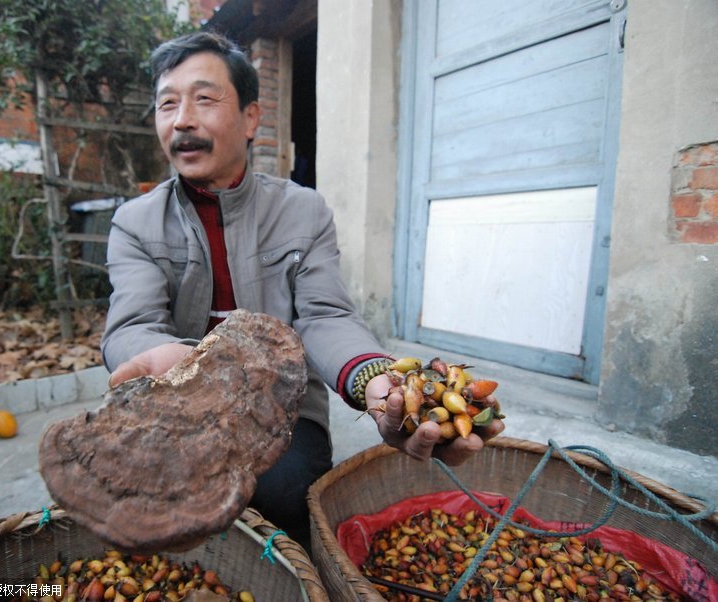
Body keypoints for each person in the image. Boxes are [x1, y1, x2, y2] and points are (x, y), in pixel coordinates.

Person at [100, 31, 504, 548]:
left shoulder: (302, 210)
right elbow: (131, 325)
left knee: (291, 493)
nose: (182, 120)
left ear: (251, 117)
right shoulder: (135, 222)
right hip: (174, 407)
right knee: (141, 518)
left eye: (204, 98)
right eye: (167, 105)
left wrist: (373, 379)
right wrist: (161, 357)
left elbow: (324, 315)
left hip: (281, 408)